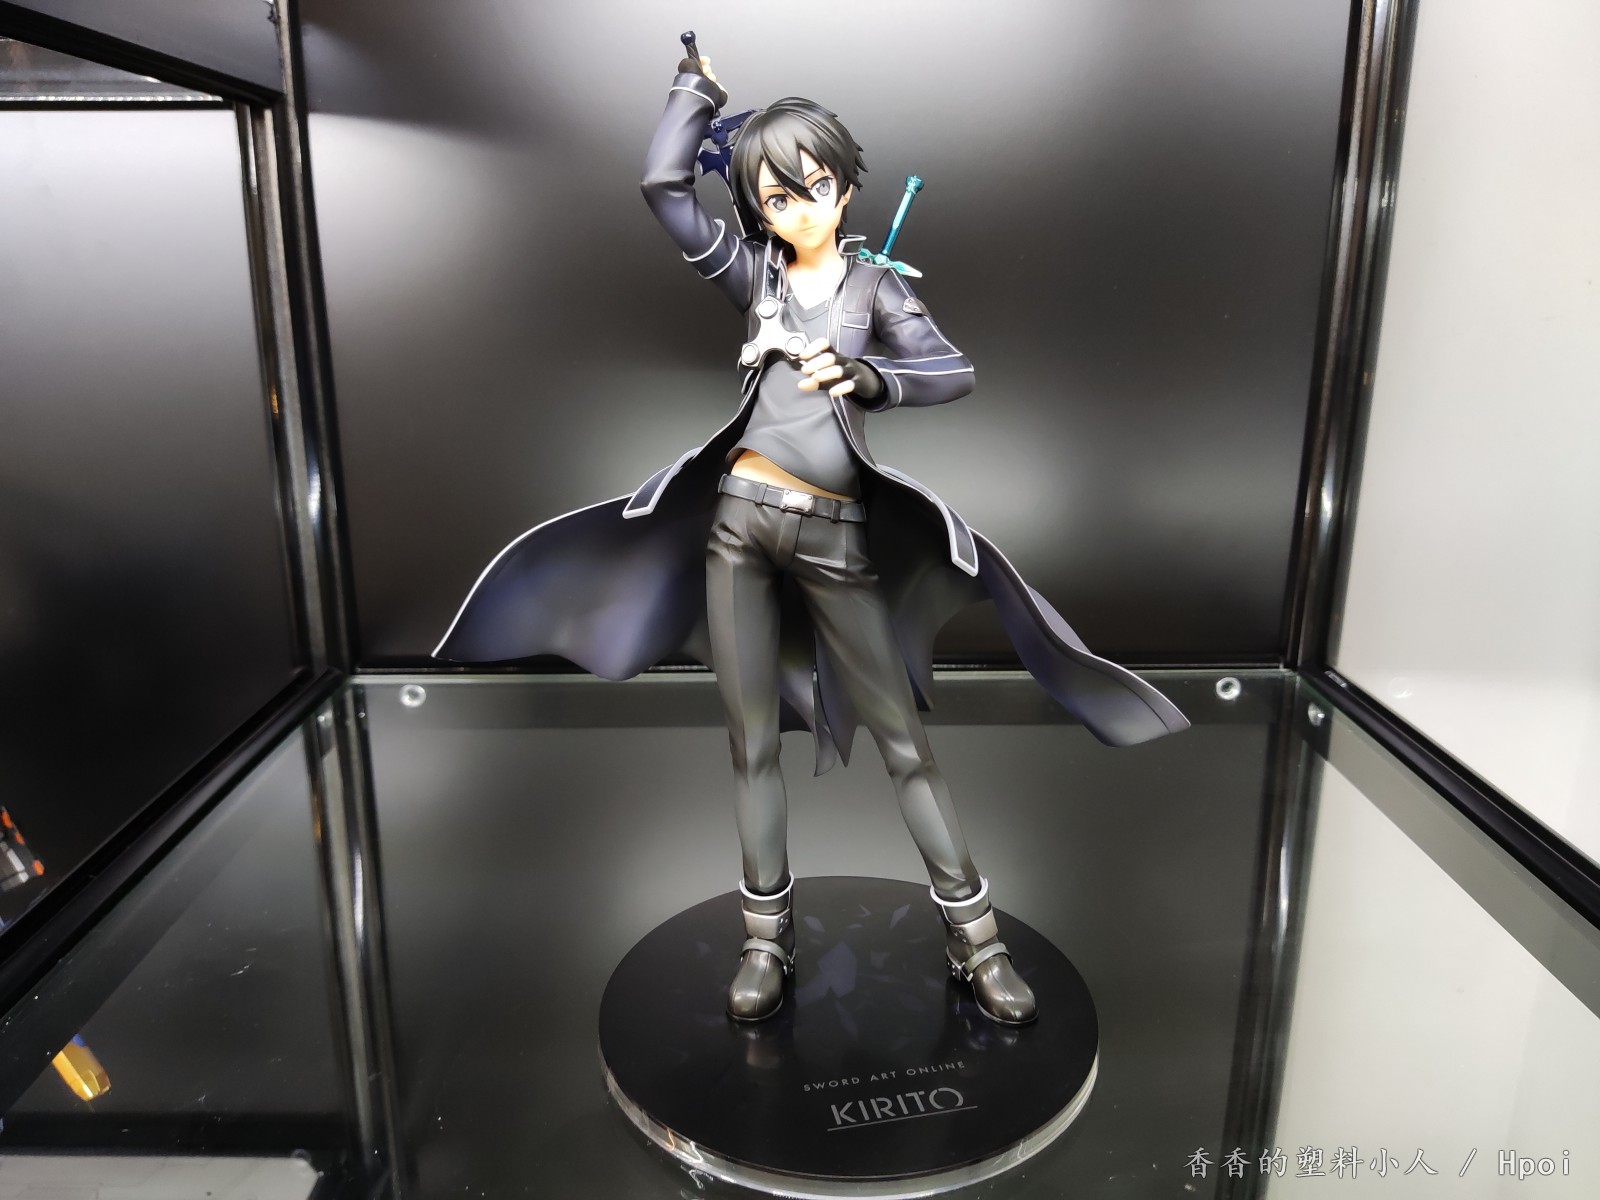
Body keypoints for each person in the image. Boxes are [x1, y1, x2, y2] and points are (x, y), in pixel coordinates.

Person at [434, 52, 1190, 1026]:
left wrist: (871, 378)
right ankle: (766, 940)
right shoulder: (753, 277)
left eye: (815, 187)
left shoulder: (875, 290)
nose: (799, 208)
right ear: (756, 208)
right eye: (776, 196)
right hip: (736, 529)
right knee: (750, 745)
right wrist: (695, 94)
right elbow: (662, 186)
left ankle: (977, 941)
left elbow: (953, 372)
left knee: (904, 743)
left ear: (844, 187)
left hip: (837, 539)